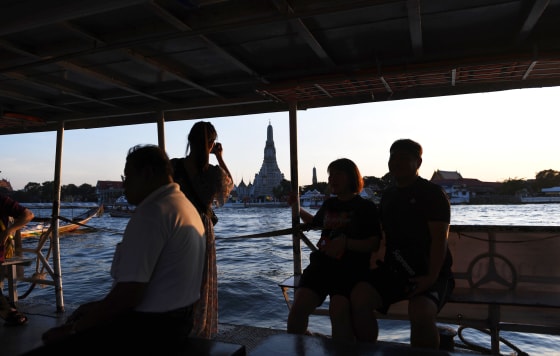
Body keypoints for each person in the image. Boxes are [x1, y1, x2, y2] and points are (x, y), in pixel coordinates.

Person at [38, 144, 206, 353]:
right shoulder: (185, 207)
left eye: (127, 177)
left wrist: (74, 330)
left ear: (146, 173)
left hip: (149, 329)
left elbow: (128, 296)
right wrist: (96, 308)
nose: (124, 186)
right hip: (180, 322)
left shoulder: (152, 213)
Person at [351, 139, 455, 349]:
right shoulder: (389, 195)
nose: (396, 162)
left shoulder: (432, 194)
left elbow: (439, 239)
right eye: (393, 157)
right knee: (358, 297)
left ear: (418, 162)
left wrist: (431, 277)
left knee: (421, 312)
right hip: (395, 270)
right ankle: (367, 349)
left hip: (429, 272)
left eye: (403, 158)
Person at [286, 158, 382, 342]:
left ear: (352, 177)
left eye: (338, 174)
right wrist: (295, 206)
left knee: (338, 311)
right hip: (322, 265)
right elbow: (315, 223)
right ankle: (296, 347)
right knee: (297, 309)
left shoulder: (365, 207)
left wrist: (346, 244)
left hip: (350, 269)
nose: (332, 179)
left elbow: (373, 244)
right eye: (330, 175)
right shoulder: (330, 204)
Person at [171, 121, 233, 339]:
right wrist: (220, 157)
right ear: (212, 144)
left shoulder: (174, 167)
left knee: (176, 278)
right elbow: (229, 187)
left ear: (189, 140)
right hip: (201, 229)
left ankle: (175, 325)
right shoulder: (214, 173)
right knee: (201, 281)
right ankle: (199, 329)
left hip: (176, 227)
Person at [0, 193, 34, 326]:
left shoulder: (2, 201)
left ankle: (6, 309)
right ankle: (6, 308)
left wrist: (9, 231)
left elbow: (28, 215)